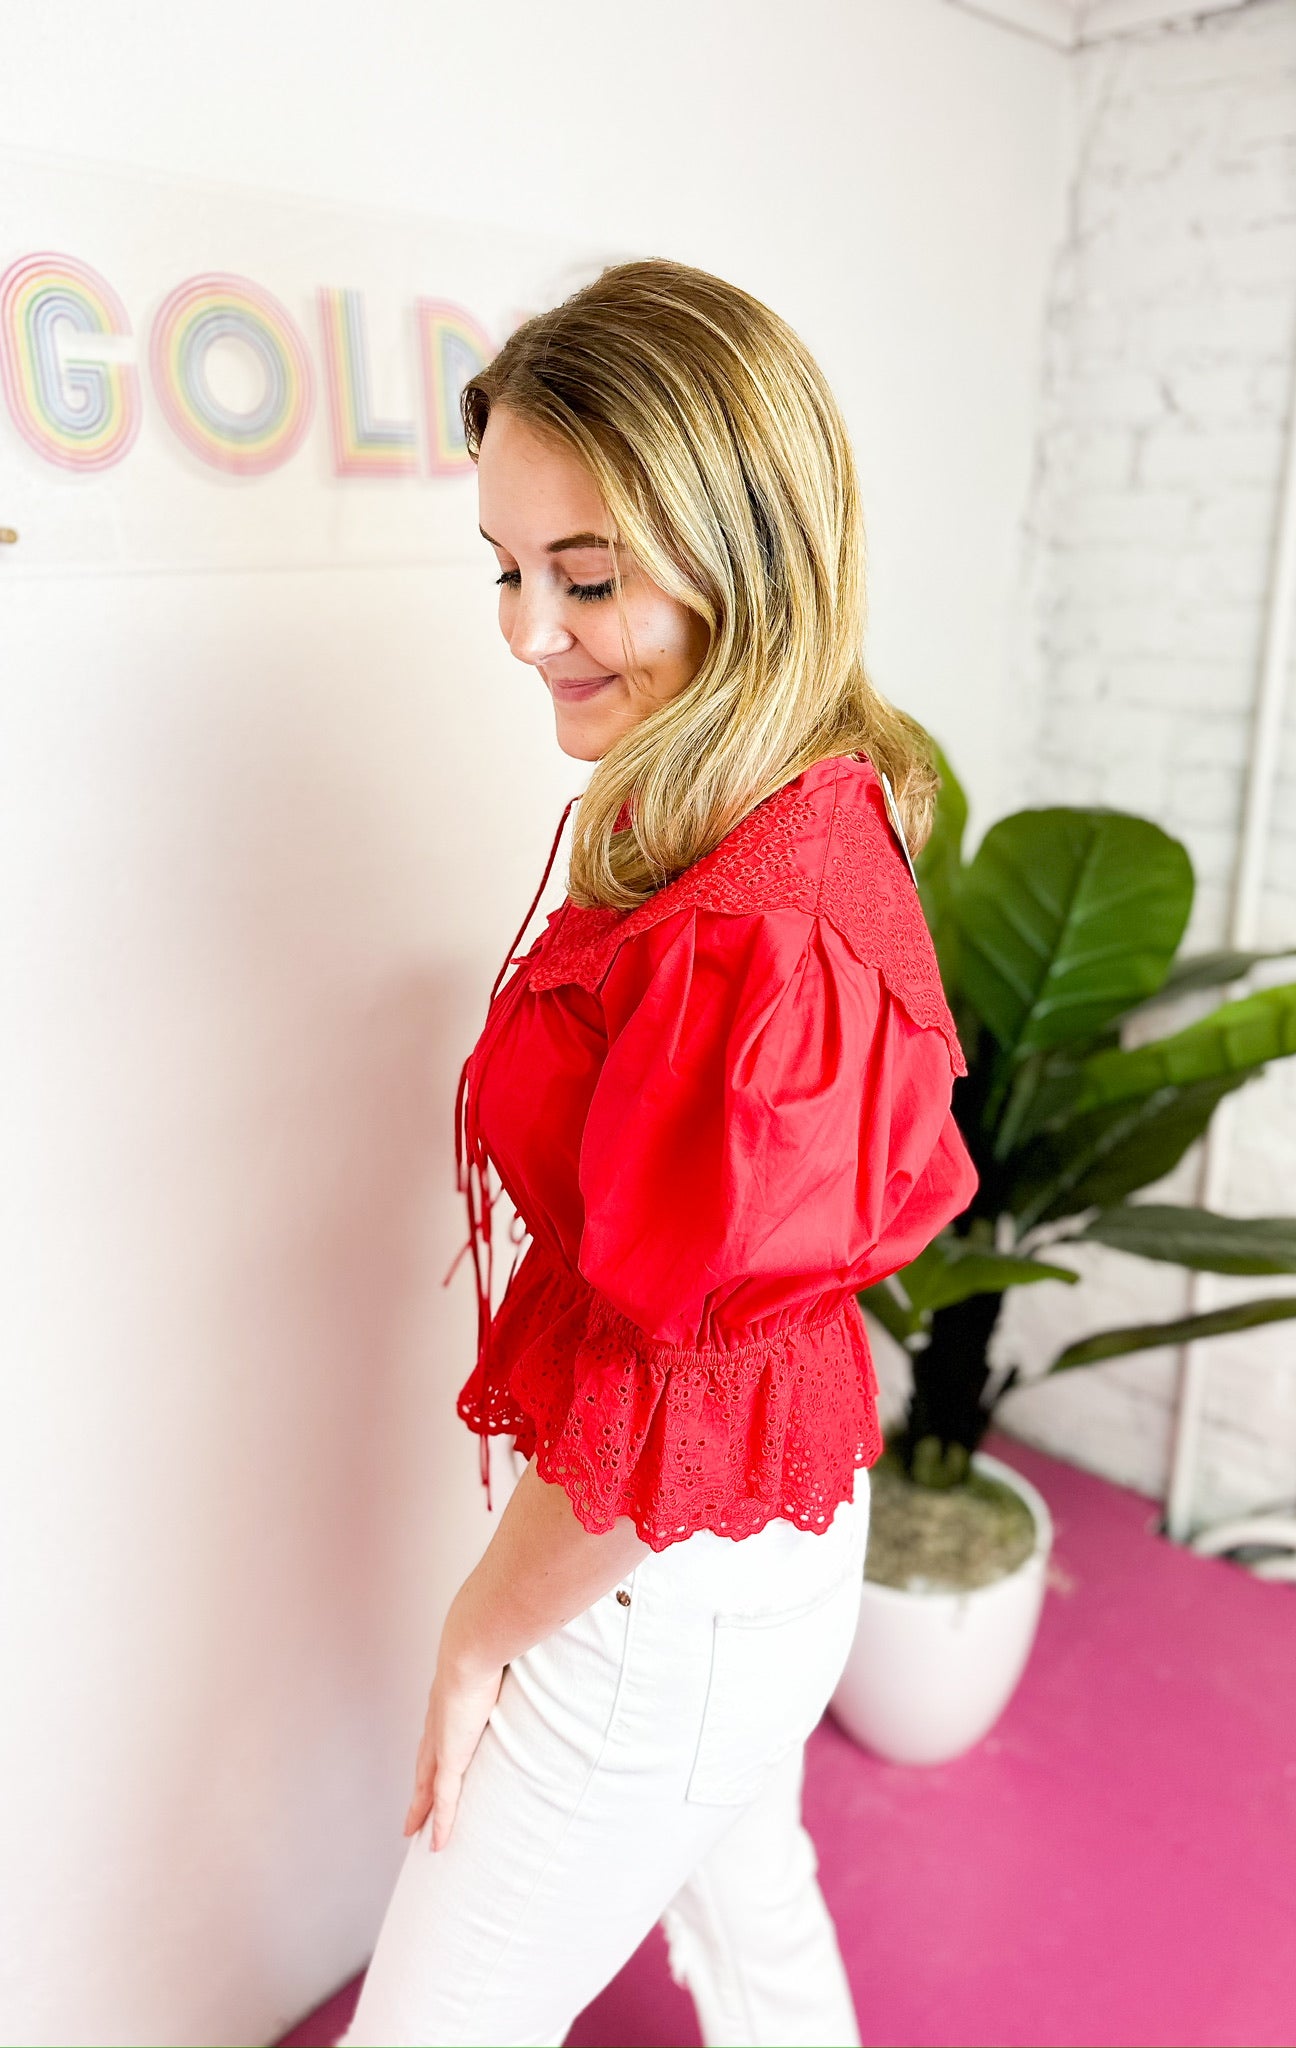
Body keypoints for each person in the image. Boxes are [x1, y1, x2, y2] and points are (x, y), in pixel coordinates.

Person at [341, 258, 978, 2048]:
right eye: (506, 570)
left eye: (587, 578)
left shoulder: (754, 921)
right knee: (752, 1898)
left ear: (747, 553)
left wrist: (479, 1631)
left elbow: (664, 1408)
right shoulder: (793, 801)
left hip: (669, 1592)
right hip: (769, 1543)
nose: (525, 628)